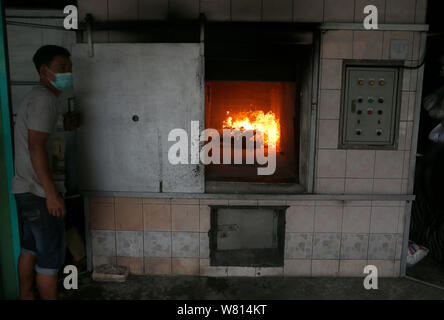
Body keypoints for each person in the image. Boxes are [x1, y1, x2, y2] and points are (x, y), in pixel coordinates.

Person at [11, 45, 74, 300]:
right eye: (62, 68)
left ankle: (26, 296)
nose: (67, 73)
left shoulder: (36, 96)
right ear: (44, 70)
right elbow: (36, 145)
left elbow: (35, 138)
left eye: (69, 69)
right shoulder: (45, 99)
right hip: (39, 193)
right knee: (49, 260)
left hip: (24, 190)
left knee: (30, 248)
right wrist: (51, 194)